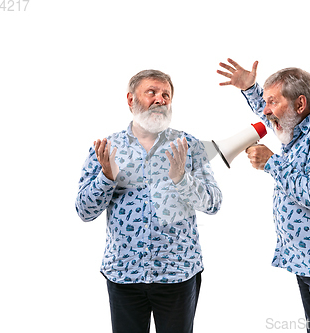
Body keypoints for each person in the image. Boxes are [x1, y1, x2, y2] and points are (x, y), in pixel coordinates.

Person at [218, 59, 310, 333]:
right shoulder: (298, 127)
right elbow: (271, 117)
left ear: (300, 104)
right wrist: (251, 88)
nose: (266, 110)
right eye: (266, 101)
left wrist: (272, 163)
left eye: (272, 101)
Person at [75, 69, 222, 333]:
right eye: (151, 92)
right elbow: (84, 211)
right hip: (123, 274)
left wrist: (181, 179)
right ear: (131, 100)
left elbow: (213, 203)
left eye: (166, 95)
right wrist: (106, 178)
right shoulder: (107, 147)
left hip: (178, 273)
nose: (160, 99)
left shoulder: (189, 145)